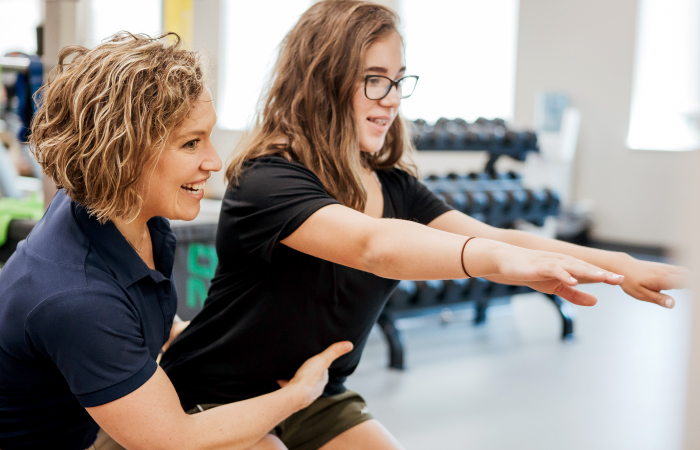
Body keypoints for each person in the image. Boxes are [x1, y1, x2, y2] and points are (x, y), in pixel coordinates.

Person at [160, 2, 687, 449]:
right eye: (373, 81)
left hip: (316, 393)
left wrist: (620, 264)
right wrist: (503, 265)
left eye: (397, 81)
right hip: (219, 391)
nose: (390, 99)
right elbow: (372, 247)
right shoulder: (267, 180)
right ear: (323, 81)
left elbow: (496, 235)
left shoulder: (394, 186)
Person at [0, 32, 352, 450]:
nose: (214, 162)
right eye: (191, 143)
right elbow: (175, 439)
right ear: (124, 152)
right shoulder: (75, 296)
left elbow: (132, 318)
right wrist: (299, 394)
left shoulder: (122, 214)